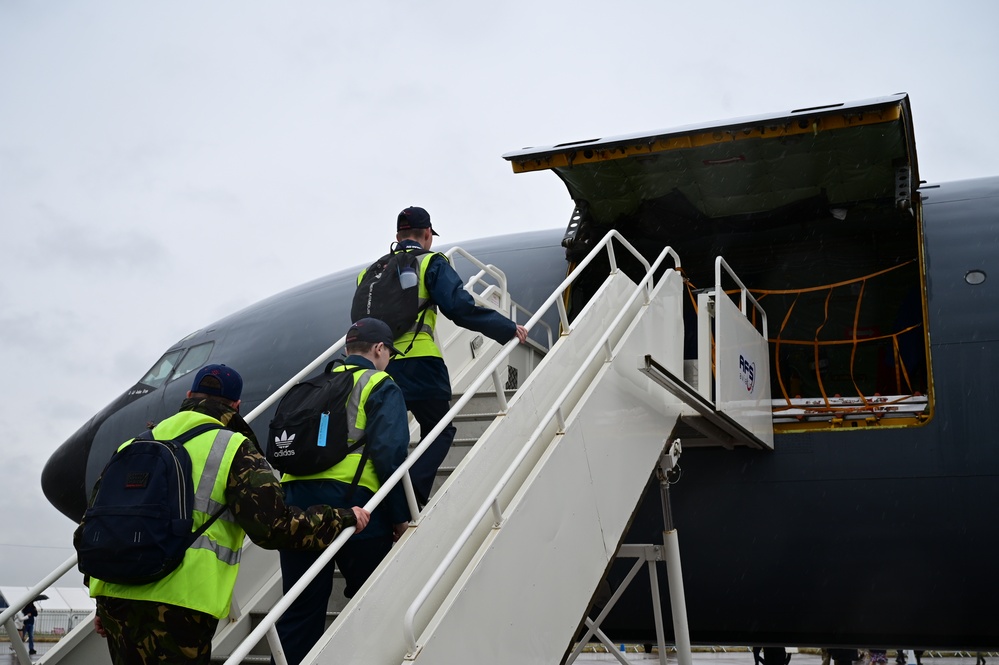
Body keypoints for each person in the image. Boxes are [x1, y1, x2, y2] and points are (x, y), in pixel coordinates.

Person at [89, 363, 371, 665]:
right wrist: (342, 518)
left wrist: (99, 600)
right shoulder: (235, 448)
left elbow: (98, 523)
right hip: (181, 603)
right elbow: (275, 527)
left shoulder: (135, 443)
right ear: (236, 405)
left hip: (115, 598)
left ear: (188, 395)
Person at [367, 206, 528, 506]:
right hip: (421, 364)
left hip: (378, 366)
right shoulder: (430, 262)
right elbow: (458, 308)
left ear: (397, 236)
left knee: (386, 434)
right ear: (427, 234)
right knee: (439, 430)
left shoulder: (372, 272)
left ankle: (377, 500)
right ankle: (410, 497)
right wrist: (506, 328)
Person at [274, 318, 411, 665]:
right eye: (389, 353)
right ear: (379, 349)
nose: (388, 360)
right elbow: (390, 454)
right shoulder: (379, 383)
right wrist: (398, 517)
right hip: (354, 506)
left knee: (299, 611)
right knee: (373, 603)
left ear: (347, 349)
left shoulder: (314, 384)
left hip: (295, 506)